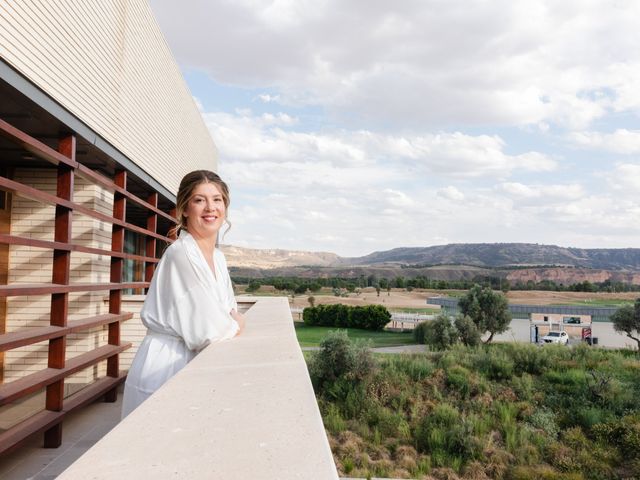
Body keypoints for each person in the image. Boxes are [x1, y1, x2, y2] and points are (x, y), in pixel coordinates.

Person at [121, 170, 245, 418]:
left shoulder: (218, 258)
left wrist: (230, 321)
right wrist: (235, 323)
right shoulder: (182, 254)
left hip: (194, 362)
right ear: (185, 209)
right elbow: (210, 330)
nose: (210, 207)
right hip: (167, 364)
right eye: (199, 200)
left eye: (217, 199)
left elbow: (225, 316)